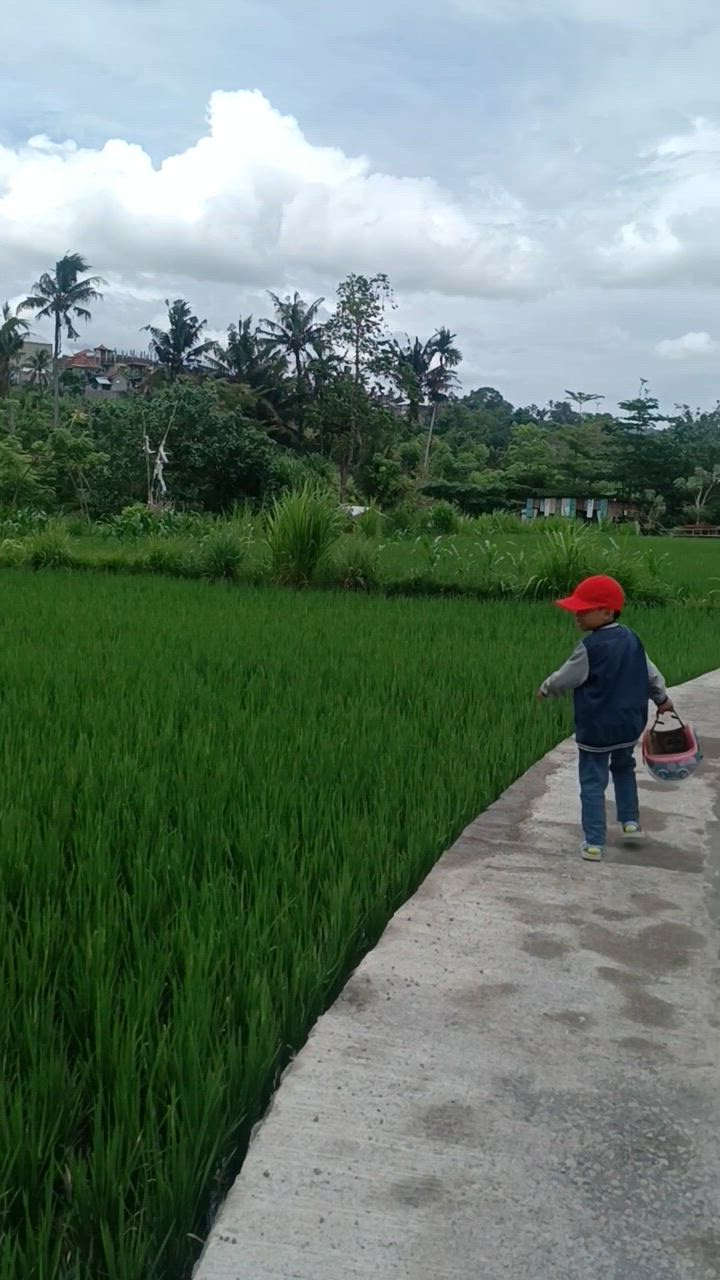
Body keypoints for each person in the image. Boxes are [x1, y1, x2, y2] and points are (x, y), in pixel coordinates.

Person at [537, 574, 673, 862]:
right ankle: (630, 822)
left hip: (597, 728)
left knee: (592, 782)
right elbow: (651, 673)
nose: (577, 616)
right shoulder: (633, 639)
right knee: (624, 768)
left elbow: (565, 677)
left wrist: (547, 688)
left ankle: (594, 843)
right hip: (628, 725)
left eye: (583, 610)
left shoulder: (589, 648)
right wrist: (662, 699)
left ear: (608, 612)